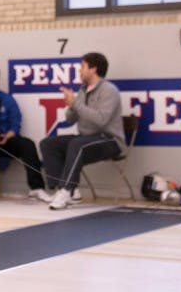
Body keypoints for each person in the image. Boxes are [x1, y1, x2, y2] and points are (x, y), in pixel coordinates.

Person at [40, 52, 125, 210]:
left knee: (77, 144)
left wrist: (76, 105)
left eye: (82, 66)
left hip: (109, 140)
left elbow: (101, 119)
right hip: (86, 138)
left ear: (93, 69)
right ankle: (68, 191)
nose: (79, 70)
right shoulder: (83, 90)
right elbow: (70, 119)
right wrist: (71, 106)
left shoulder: (109, 90)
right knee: (48, 144)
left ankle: (66, 190)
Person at [0, 63, 51, 202]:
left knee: (27, 144)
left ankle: (37, 188)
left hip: (5, 140)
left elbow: (16, 122)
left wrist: (8, 135)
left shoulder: (7, 99)